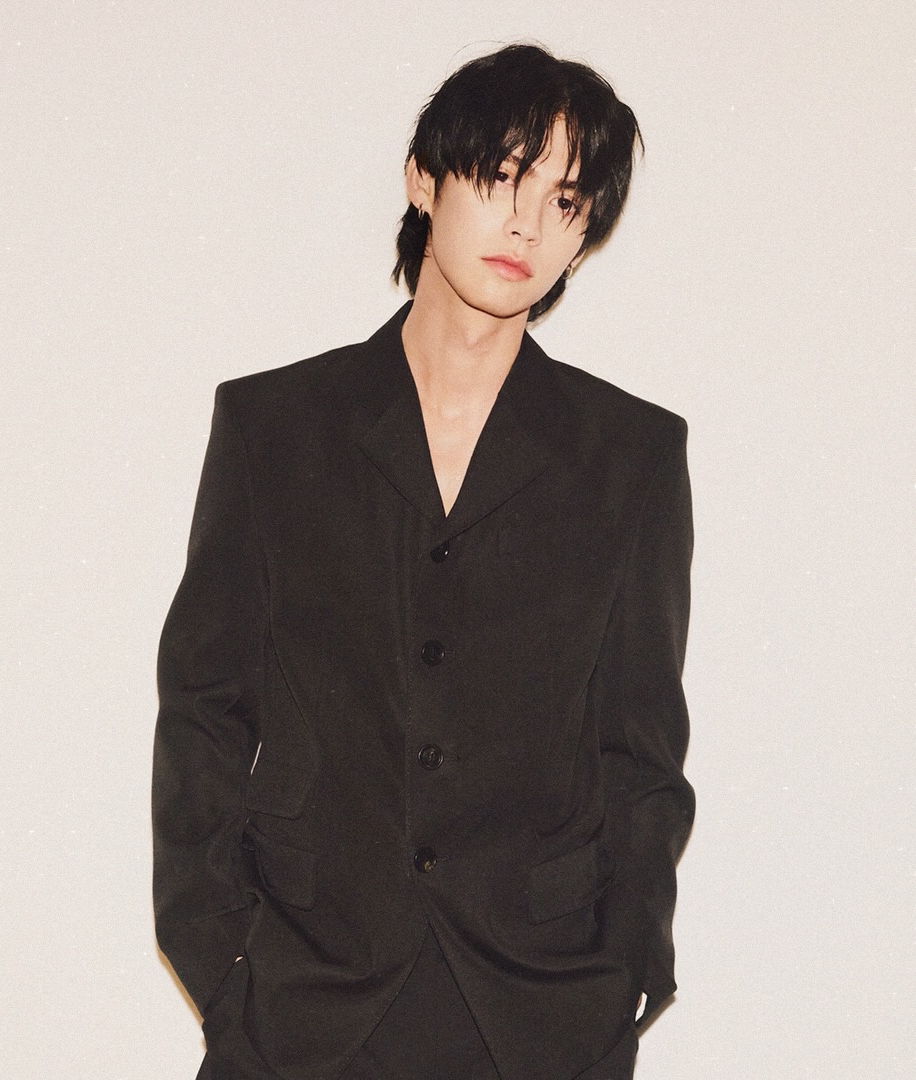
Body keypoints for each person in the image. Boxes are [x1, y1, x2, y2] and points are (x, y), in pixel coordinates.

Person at [153, 43, 694, 1080]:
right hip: (304, 998)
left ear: (585, 237)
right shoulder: (276, 427)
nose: (527, 226)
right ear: (423, 178)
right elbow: (204, 707)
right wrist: (221, 961)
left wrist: (629, 970)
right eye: (502, 177)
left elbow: (641, 749)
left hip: (538, 1011)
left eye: (566, 201)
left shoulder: (629, 456)